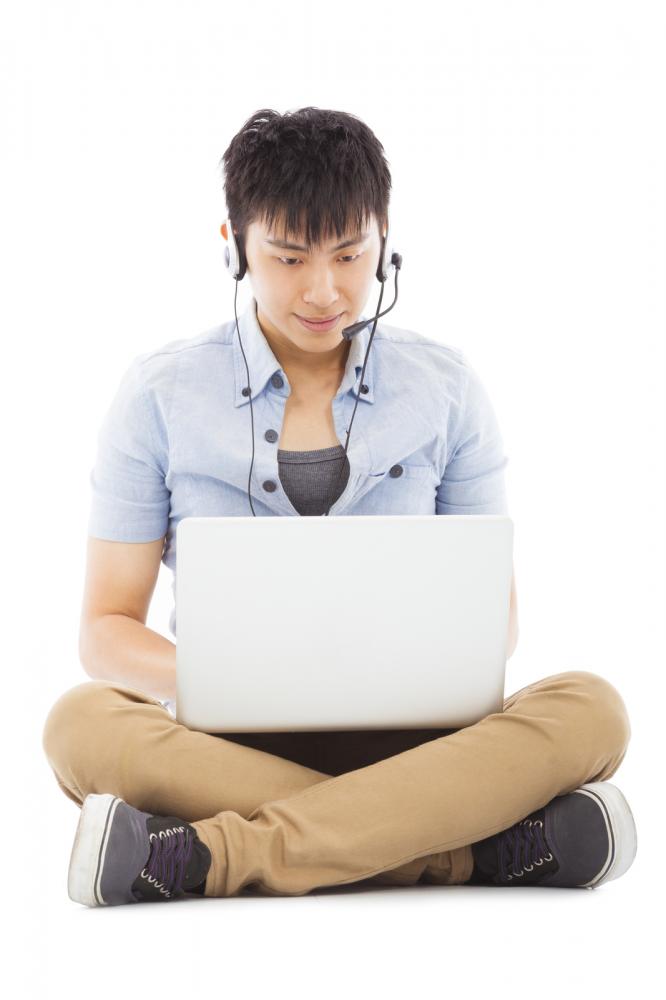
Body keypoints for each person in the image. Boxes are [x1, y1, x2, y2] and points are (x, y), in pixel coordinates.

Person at [42, 106, 636, 907]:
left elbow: (495, 626)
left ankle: (212, 856)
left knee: (592, 710)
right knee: (79, 725)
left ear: (385, 240)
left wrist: (399, 667)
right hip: (233, 742)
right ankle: (465, 851)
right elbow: (105, 632)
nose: (324, 290)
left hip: (421, 747)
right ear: (235, 248)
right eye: (288, 257)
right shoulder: (159, 394)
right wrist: (235, 675)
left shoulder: (447, 388)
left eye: (351, 254)